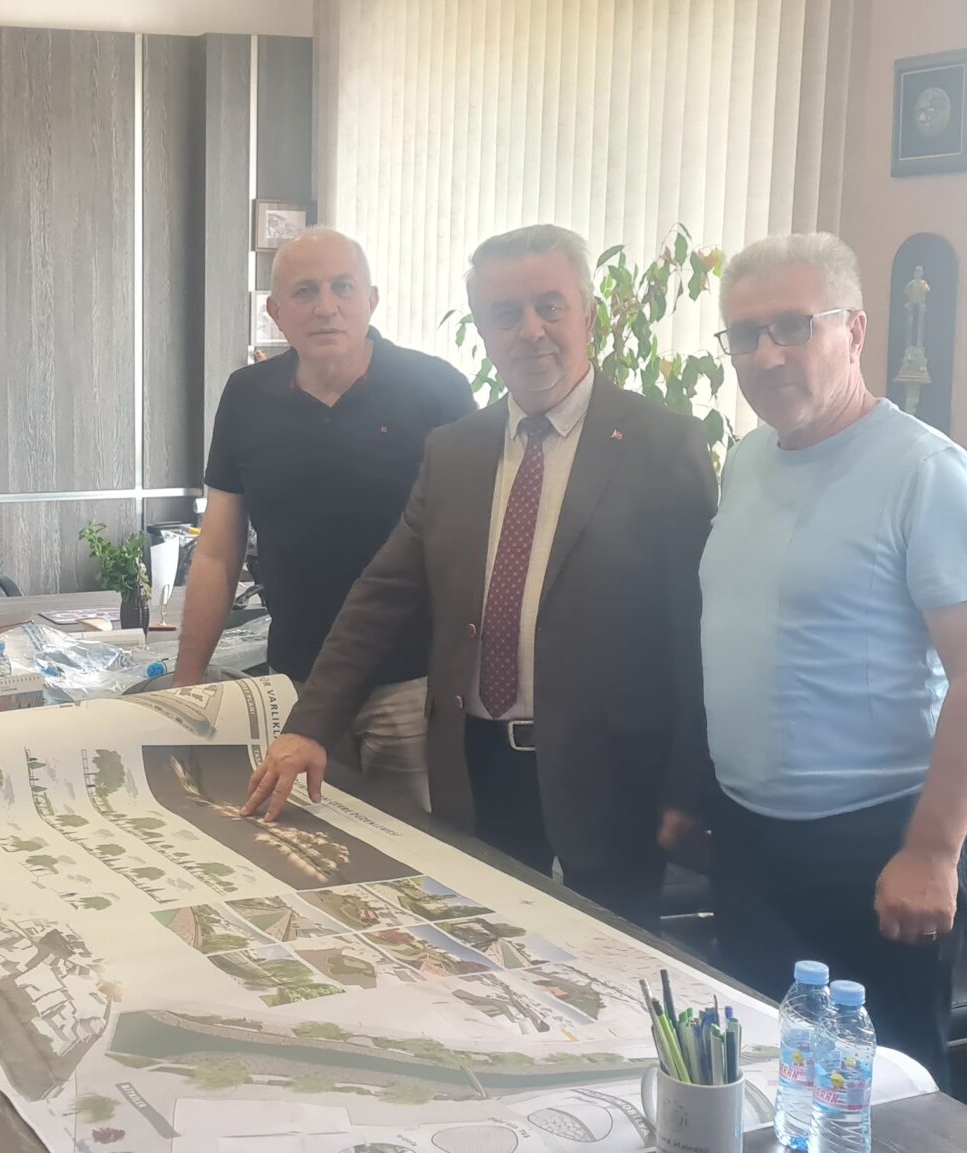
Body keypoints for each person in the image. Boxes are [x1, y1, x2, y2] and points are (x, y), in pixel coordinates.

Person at [244, 224, 716, 930]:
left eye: (549, 306)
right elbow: (383, 595)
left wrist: (688, 787)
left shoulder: (662, 444)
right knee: (483, 955)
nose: (531, 331)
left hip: (613, 778)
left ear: (588, 314)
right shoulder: (455, 449)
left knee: (614, 972)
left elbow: (694, 631)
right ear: (484, 330)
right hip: (476, 766)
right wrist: (311, 724)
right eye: (505, 314)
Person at [685, 232, 967, 1085]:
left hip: (879, 844)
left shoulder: (928, 474)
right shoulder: (748, 460)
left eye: (794, 326)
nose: (767, 354)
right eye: (745, 334)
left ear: (855, 330)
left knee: (880, 1097)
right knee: (760, 1077)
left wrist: (934, 850)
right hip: (750, 837)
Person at [173, 228, 473, 809]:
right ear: (276, 312)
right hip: (297, 683)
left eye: (343, 287)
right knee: (306, 844)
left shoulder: (437, 389)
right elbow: (217, 551)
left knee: (418, 849)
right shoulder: (246, 395)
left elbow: (476, 545)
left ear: (372, 300)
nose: (326, 306)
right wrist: (188, 683)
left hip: (414, 685)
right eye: (305, 291)